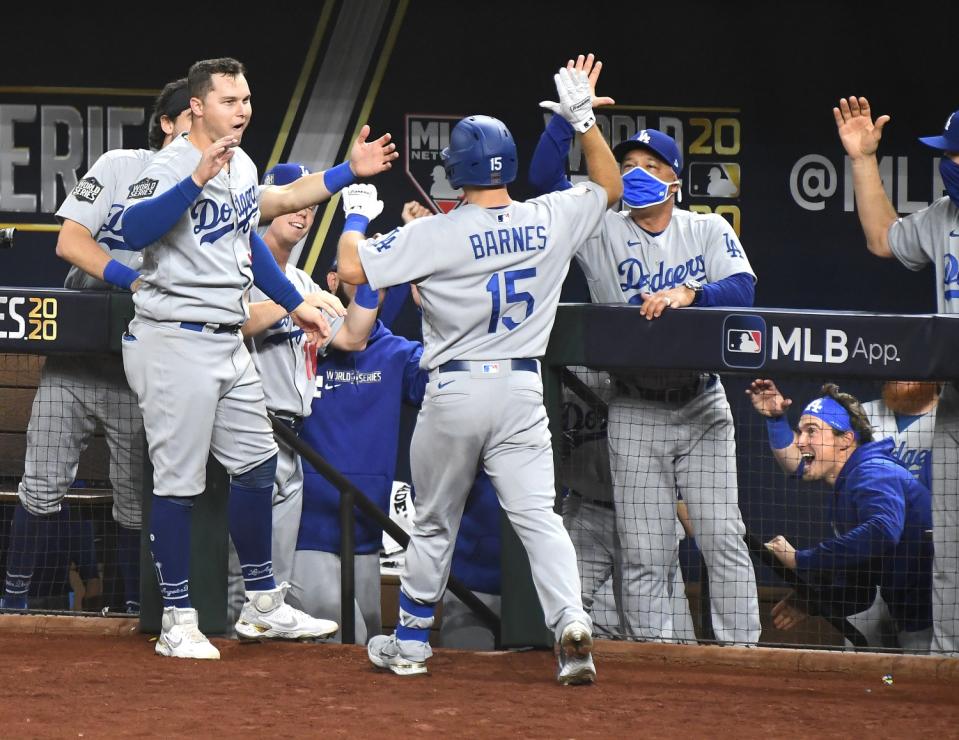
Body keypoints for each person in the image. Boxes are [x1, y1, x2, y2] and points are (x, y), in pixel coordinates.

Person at [336, 60, 623, 684]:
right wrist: (583, 121)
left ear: (457, 171)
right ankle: (572, 624)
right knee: (539, 518)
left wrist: (356, 213)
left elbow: (352, 271)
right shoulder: (549, 216)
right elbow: (610, 185)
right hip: (521, 389)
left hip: (456, 387)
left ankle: (410, 644)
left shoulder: (438, 233)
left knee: (436, 519)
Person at [118, 57, 397, 659]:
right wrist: (194, 179)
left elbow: (258, 232)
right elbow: (132, 228)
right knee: (179, 485)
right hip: (175, 338)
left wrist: (349, 173)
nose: (242, 109)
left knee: (256, 465)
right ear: (196, 106)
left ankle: (263, 604)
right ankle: (177, 618)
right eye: (229, 100)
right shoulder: (166, 163)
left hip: (226, 342)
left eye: (246, 99)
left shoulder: (241, 162)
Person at [528, 54, 759, 645]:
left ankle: (745, 654)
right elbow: (544, 180)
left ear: (674, 179)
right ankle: (657, 662)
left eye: (649, 165)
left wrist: (690, 292)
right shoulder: (600, 223)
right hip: (632, 407)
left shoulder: (705, 228)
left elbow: (743, 286)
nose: (633, 173)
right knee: (647, 549)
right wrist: (568, 120)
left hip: (702, 406)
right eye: (626, 163)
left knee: (721, 536)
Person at [1, 78, 193, 612]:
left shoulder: (216, 186)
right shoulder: (119, 165)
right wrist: (131, 277)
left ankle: (133, 609)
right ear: (168, 123)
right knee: (39, 487)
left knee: (135, 505)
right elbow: (69, 241)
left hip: (139, 371)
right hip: (76, 362)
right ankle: (12, 606)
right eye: (191, 118)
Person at [224, 162, 379, 627]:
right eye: (296, 201)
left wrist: (366, 270)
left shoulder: (306, 282)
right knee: (238, 576)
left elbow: (353, 337)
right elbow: (231, 321)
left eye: (313, 206)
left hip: (292, 437)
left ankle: (266, 675)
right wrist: (291, 307)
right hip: (248, 426)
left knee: (274, 582)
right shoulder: (236, 265)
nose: (305, 212)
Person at [834, 96, 958, 653]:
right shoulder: (943, 218)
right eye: (948, 155)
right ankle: (948, 666)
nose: (950, 164)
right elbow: (884, 237)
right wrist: (862, 160)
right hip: (956, 405)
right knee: (950, 554)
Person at [288, 193, 427, 642]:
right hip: (305, 533)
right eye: (360, 270)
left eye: (380, 274)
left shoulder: (401, 355)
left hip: (368, 534)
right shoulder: (308, 338)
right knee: (338, 646)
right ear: (333, 279)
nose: (371, 280)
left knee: (364, 651)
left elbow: (444, 388)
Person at [749, 378, 937, 649]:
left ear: (846, 439)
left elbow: (882, 532)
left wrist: (801, 560)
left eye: (811, 431)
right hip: (910, 610)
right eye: (800, 432)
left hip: (934, 615)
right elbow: (860, 588)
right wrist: (813, 600)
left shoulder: (872, 472)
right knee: (881, 682)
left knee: (920, 689)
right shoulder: (850, 483)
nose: (801, 442)